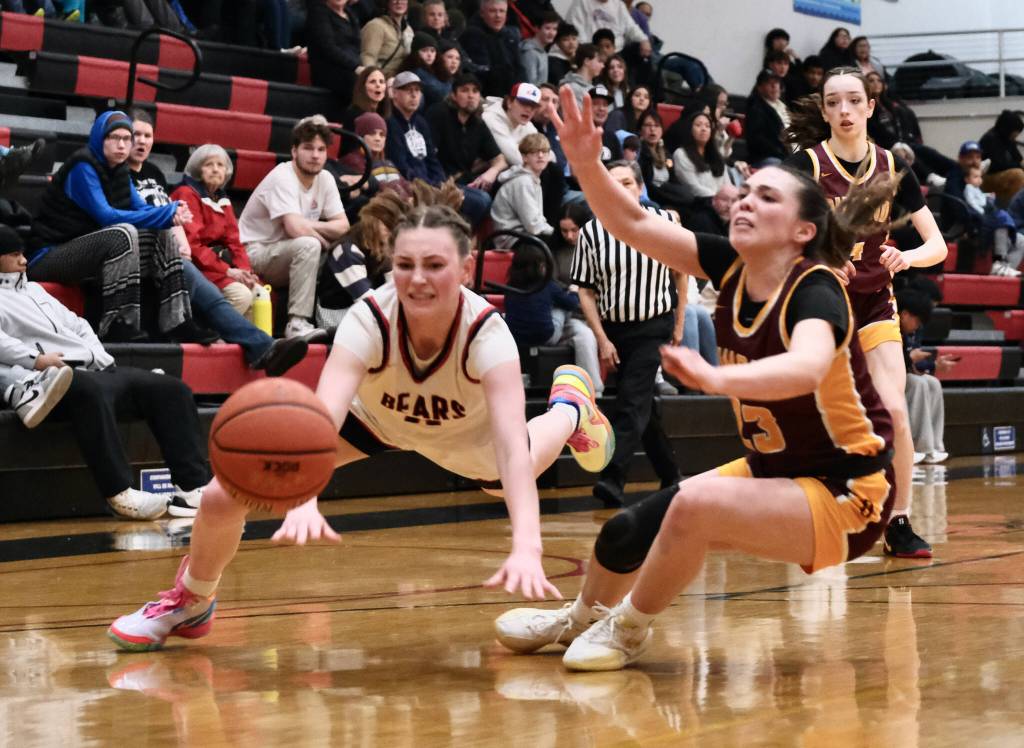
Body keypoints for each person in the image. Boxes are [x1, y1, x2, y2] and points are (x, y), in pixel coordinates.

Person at [493, 86, 899, 671]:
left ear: (803, 232)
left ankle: (628, 628)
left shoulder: (815, 288)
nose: (743, 201)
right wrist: (583, 162)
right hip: (778, 468)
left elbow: (808, 365)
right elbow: (631, 221)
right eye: (745, 191)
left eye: (766, 197)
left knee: (696, 505)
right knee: (626, 532)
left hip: (851, 492)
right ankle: (578, 620)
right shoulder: (733, 264)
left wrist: (714, 376)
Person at [106, 197, 617, 651]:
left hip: (467, 437)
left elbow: (508, 449)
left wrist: (527, 545)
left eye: (434, 265)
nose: (417, 278)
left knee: (515, 467)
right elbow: (321, 418)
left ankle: (571, 406)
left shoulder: (488, 334)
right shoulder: (369, 316)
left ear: (464, 270)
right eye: (404, 264)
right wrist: (303, 497)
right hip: (373, 421)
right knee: (222, 497)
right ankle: (191, 602)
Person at [786, 66, 948, 558]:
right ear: (824, 109)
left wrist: (908, 257)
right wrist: (816, 259)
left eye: (853, 101)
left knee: (895, 410)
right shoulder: (806, 165)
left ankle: (897, 520)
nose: (844, 111)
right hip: (822, 305)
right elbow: (780, 234)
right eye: (833, 102)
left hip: (876, 302)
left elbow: (936, 245)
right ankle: (812, 507)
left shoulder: (892, 169)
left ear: (871, 106)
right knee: (817, 413)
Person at [0, 228, 210, 521]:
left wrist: (97, 355)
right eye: (14, 255)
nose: (24, 260)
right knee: (87, 389)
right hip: (49, 377)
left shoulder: (34, 290)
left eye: (23, 253)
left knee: (169, 389)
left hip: (91, 368)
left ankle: (192, 488)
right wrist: (37, 360)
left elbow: (79, 325)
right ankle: (120, 492)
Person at [126, 116, 309, 381]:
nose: (141, 141)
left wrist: (244, 270)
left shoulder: (154, 173)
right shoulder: (122, 175)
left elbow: (231, 238)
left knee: (250, 291)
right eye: (134, 135)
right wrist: (223, 267)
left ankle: (257, 350)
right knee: (234, 295)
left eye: (147, 135)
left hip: (174, 252)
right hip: (156, 253)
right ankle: (258, 347)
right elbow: (157, 217)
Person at [26, 111, 204, 344]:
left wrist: (172, 213)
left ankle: (178, 320)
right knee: (123, 233)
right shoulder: (83, 165)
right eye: (114, 138)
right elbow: (106, 216)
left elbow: (141, 208)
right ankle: (118, 323)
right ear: (100, 138)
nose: (122, 145)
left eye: (126, 139)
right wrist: (166, 213)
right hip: (50, 256)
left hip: (90, 253)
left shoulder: (119, 169)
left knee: (161, 231)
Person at [570, 159, 684, 506]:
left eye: (628, 183)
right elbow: (585, 290)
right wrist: (602, 338)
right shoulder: (590, 232)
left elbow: (681, 274)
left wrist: (678, 325)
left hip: (654, 325)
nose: (621, 189)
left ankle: (612, 480)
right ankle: (671, 473)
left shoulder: (664, 221)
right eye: (614, 183)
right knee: (642, 405)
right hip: (616, 329)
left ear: (640, 188)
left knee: (631, 405)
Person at [239, 115, 349, 340]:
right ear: (294, 151)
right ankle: (297, 323)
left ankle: (342, 318)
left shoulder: (326, 179)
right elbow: (294, 229)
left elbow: (343, 225)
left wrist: (308, 225)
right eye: (308, 148)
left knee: (342, 248)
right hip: (256, 253)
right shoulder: (282, 176)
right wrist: (321, 237)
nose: (315, 155)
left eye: (320, 149)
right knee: (309, 245)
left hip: (287, 252)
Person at [388, 71, 493, 227]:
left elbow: (432, 159)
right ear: (395, 93)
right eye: (408, 90)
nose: (414, 95)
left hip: (433, 183)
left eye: (417, 90)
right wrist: (429, 188)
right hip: (413, 187)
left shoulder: (421, 123)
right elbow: (401, 165)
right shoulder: (391, 123)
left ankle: (457, 236)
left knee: (483, 198)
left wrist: (441, 183)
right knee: (478, 201)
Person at [503, 242, 603, 393]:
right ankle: (595, 391)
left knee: (582, 331)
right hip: (548, 335)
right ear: (541, 266)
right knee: (560, 306)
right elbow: (572, 303)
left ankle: (592, 390)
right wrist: (574, 291)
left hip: (517, 337)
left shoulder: (510, 286)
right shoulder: (547, 285)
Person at [897, 288, 953, 465]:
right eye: (917, 320)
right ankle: (916, 447)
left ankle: (934, 446)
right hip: (879, 379)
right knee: (917, 383)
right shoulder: (888, 326)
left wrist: (934, 365)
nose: (918, 326)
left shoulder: (907, 332)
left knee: (932, 382)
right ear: (905, 314)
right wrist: (909, 358)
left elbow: (909, 365)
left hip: (899, 376)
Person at [426, 72, 507, 194]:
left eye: (475, 91)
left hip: (465, 181)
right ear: (453, 95)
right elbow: (429, 154)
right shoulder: (439, 113)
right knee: (482, 201)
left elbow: (500, 160)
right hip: (440, 181)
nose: (471, 96)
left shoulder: (478, 123)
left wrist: (491, 173)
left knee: (501, 183)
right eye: (465, 91)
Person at [963, 163, 1024, 276]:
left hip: (1000, 224)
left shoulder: (980, 194)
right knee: (1002, 221)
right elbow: (973, 206)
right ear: (967, 179)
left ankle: (1003, 269)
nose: (979, 180)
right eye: (975, 177)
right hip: (998, 225)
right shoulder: (968, 191)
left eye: (980, 176)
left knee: (1018, 239)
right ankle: (999, 263)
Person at [491, 133, 555, 241]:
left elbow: (537, 221)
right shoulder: (523, 182)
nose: (540, 155)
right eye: (535, 152)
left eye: (544, 152)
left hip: (523, 235)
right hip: (512, 238)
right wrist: (556, 233)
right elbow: (533, 225)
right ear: (524, 157)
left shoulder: (532, 179)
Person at [459, 0, 523, 98]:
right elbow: (482, 73)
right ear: (482, 13)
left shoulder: (509, 36)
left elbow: (519, 68)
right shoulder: (473, 35)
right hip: (488, 97)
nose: (498, 15)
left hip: (510, 96)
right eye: (493, 11)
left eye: (502, 11)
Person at [306, 0, 363, 102]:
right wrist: (355, 66)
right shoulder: (319, 12)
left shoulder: (350, 14)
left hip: (350, 66)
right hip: (328, 68)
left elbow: (357, 47)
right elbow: (328, 48)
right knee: (359, 82)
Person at [744, 69, 789, 168]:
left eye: (776, 83)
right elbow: (757, 140)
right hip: (766, 157)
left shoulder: (782, 106)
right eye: (769, 83)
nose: (774, 86)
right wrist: (781, 153)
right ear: (760, 88)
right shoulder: (756, 109)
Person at [979, 110, 1024, 206]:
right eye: (1015, 133)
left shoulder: (1008, 139)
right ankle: (1015, 208)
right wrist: (1019, 165)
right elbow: (997, 165)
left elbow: (1018, 158)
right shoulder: (990, 139)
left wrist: (1020, 164)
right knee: (1018, 175)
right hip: (987, 177)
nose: (1016, 136)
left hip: (1003, 173)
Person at [359, 0, 413, 77]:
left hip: (400, 81)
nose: (399, 2)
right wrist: (375, 78)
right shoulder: (376, 25)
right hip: (382, 79)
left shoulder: (408, 29)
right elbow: (368, 56)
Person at [520, 10, 560, 86]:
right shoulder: (529, 52)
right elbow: (530, 84)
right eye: (547, 28)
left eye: (554, 29)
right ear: (536, 28)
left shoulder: (543, 52)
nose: (551, 33)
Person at [559, 43, 603, 107]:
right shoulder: (571, 88)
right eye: (599, 61)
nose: (603, 66)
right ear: (587, 61)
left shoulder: (593, 88)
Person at [547, 21, 579, 86]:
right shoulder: (553, 62)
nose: (571, 43)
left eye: (574, 39)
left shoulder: (577, 58)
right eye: (565, 40)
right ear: (557, 42)